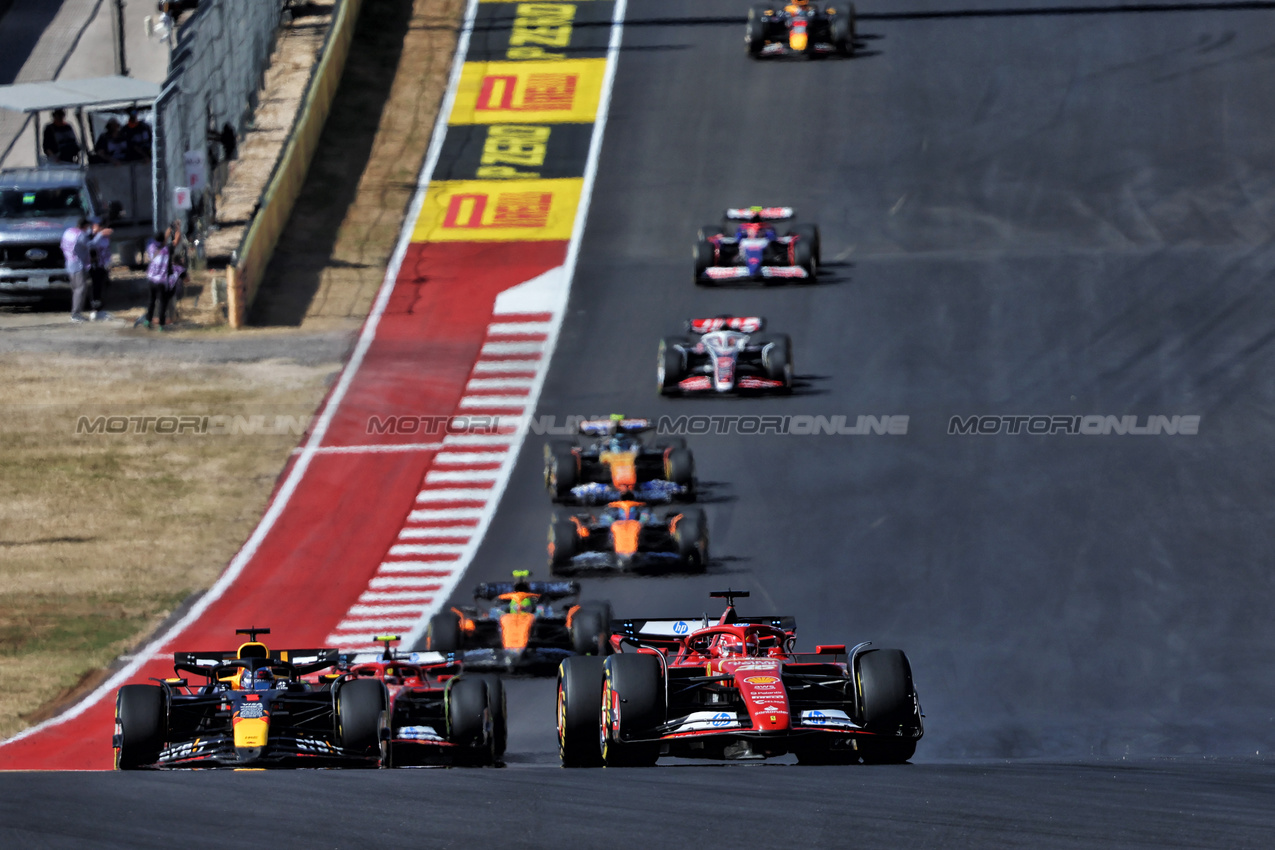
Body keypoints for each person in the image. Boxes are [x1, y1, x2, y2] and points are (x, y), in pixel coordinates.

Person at [139, 229, 183, 330]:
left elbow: (161, 243)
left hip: (151, 279)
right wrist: (177, 229)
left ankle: (148, 320)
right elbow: (176, 241)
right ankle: (161, 325)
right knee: (163, 302)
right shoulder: (167, 250)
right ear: (163, 240)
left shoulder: (151, 247)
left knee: (151, 300)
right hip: (162, 281)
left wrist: (166, 233)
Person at [60, 217, 91, 323]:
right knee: (80, 289)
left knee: (75, 288)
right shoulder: (81, 235)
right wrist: (100, 235)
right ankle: (76, 313)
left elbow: (62, 245)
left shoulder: (68, 232)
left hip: (69, 263)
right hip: (78, 264)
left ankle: (76, 312)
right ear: (85, 226)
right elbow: (90, 245)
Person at [87, 219, 114, 320]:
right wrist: (100, 234)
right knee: (95, 288)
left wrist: (109, 262)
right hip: (94, 266)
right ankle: (94, 310)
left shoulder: (104, 236)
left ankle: (100, 309)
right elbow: (91, 245)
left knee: (103, 287)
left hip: (103, 265)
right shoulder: (91, 235)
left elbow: (107, 250)